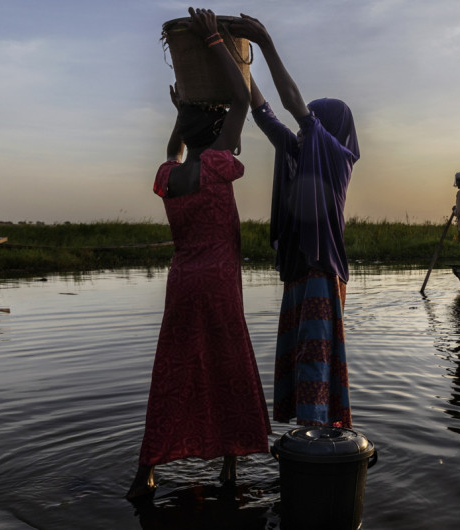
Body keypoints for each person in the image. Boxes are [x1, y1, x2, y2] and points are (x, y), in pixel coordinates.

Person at [127, 7, 271, 501]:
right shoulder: (216, 165)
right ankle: (230, 467)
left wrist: (180, 111)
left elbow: (174, 150)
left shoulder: (170, 178)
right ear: (214, 136)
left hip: (181, 284)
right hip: (217, 285)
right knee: (228, 366)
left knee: (173, 371)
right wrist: (214, 40)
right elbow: (241, 99)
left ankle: (146, 470)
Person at [231, 13, 357, 428]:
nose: (303, 131)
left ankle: (317, 443)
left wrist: (266, 42)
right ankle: (310, 436)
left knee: (313, 361)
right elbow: (265, 113)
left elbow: (291, 106)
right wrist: (237, 61)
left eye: (313, 125)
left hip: (321, 271)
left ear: (328, 130)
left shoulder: (336, 158)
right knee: (300, 356)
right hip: (299, 271)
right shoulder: (298, 150)